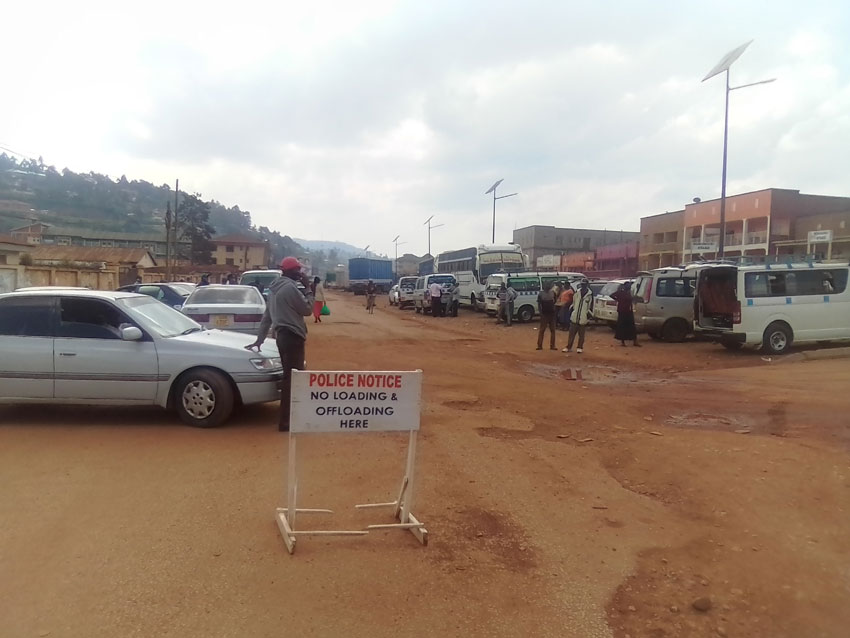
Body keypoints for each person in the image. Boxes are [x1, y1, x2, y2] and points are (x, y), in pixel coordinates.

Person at [245, 257, 314, 432]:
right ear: (291, 271)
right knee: (293, 379)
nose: (300, 273)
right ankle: (286, 422)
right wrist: (308, 288)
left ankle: (288, 418)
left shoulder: (273, 289)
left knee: (289, 377)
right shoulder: (290, 288)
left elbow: (267, 317)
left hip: (281, 337)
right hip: (293, 337)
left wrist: (259, 340)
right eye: (298, 270)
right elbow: (307, 310)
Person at [562, 278, 594, 353]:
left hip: (583, 317)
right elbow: (574, 302)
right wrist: (572, 310)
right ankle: (568, 347)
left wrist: (588, 315)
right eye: (582, 284)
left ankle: (580, 347)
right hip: (575, 316)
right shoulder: (577, 292)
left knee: (581, 335)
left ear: (587, 285)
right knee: (571, 334)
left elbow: (590, 306)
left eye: (584, 284)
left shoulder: (590, 294)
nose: (583, 286)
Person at [612, 281, 639, 347]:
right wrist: (618, 300)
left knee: (632, 327)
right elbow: (612, 295)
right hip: (622, 312)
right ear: (625, 286)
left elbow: (634, 298)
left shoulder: (630, 292)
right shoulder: (621, 292)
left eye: (630, 286)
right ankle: (623, 342)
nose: (629, 287)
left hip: (629, 311)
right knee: (622, 327)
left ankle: (635, 341)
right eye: (628, 285)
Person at [536, 281, 557, 350]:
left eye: (549, 285)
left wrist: (554, 310)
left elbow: (555, 301)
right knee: (542, 330)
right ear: (544, 286)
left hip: (551, 314)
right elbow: (539, 304)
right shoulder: (541, 294)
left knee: (553, 330)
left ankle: (552, 345)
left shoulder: (553, 293)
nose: (548, 286)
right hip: (544, 314)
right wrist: (540, 313)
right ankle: (539, 345)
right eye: (546, 285)